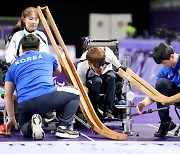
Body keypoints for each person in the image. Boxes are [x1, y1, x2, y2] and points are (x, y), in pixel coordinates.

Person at [4, 34, 80, 140]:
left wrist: (11, 118)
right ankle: (63, 127)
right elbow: (58, 71)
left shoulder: (13, 66)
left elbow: (7, 95)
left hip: (25, 104)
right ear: (39, 47)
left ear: (22, 49)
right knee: (75, 93)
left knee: (22, 126)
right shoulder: (47, 56)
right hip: (47, 98)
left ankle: (31, 125)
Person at [136, 43, 180, 137]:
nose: (163, 65)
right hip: (176, 98)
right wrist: (143, 103)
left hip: (176, 98)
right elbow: (156, 93)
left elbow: (166, 100)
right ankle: (166, 123)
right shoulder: (165, 70)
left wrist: (169, 100)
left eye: (164, 62)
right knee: (160, 83)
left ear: (171, 56)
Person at [77, 46, 122, 119]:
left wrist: (120, 67)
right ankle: (94, 111)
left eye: (103, 63)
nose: (101, 67)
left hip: (107, 73)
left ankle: (108, 111)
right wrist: (84, 88)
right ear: (89, 63)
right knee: (97, 81)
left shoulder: (108, 54)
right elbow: (82, 85)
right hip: (93, 78)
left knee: (112, 77)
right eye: (97, 65)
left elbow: (118, 65)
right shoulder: (82, 67)